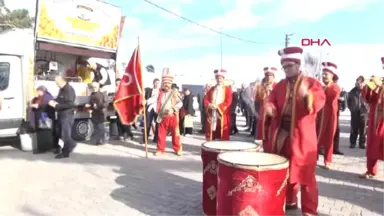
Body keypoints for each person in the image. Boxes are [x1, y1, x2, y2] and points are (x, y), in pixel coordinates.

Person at [264, 46, 325, 215]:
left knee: (306, 176)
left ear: (298, 65)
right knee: (285, 169)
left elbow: (318, 103)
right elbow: (271, 100)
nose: (286, 70)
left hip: (303, 138)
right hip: (282, 135)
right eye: (284, 67)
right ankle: (290, 202)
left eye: (289, 66)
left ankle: (310, 211)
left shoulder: (312, 83)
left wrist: (307, 96)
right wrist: (269, 107)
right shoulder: (280, 85)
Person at [148, 68, 183, 156]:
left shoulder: (175, 92)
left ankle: (177, 148)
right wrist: (146, 101)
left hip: (172, 116)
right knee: (161, 134)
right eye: (165, 83)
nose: (166, 84)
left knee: (175, 134)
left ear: (171, 84)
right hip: (162, 116)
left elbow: (180, 103)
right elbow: (153, 99)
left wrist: (174, 109)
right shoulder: (159, 92)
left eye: (168, 83)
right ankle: (160, 149)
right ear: (163, 84)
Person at [359, 58, 384, 179]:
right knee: (371, 144)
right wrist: (367, 87)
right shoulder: (379, 81)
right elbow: (368, 99)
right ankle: (371, 170)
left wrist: (381, 87)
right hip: (374, 119)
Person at [317, 61, 341, 170]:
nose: (324, 76)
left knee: (328, 139)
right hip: (319, 117)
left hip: (330, 118)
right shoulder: (321, 87)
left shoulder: (335, 87)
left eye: (326, 74)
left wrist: (322, 89)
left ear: (332, 75)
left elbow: (330, 97)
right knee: (316, 138)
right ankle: (314, 158)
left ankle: (328, 160)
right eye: (323, 74)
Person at [48, 75, 77, 159]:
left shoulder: (69, 90)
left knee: (65, 135)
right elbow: (59, 99)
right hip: (61, 114)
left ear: (62, 81)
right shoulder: (62, 89)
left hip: (67, 115)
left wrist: (56, 106)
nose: (57, 84)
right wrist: (54, 101)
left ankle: (65, 153)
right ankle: (71, 144)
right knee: (60, 133)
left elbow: (70, 104)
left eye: (57, 83)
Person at [204, 69, 232, 141]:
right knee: (211, 130)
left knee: (222, 131)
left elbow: (228, 101)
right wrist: (209, 105)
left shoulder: (227, 89)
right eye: (217, 78)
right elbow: (205, 99)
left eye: (220, 78)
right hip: (212, 112)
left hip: (222, 113)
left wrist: (218, 107)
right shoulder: (212, 89)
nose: (219, 80)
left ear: (223, 79)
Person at [31, 86, 59, 154]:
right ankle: (42, 148)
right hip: (41, 117)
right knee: (41, 133)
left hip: (45, 118)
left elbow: (47, 105)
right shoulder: (39, 97)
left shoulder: (47, 96)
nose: (37, 92)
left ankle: (45, 148)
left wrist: (37, 106)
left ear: (42, 90)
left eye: (38, 91)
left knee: (44, 133)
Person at [255, 67, 277, 151]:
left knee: (272, 134)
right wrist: (264, 92)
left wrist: (272, 91)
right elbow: (257, 100)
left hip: (273, 115)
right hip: (263, 115)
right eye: (267, 76)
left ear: (273, 76)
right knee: (263, 135)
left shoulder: (277, 86)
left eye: (270, 76)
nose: (268, 78)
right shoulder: (261, 87)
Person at [347, 76, 368, 149]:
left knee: (363, 129)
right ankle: (352, 143)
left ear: (363, 83)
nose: (359, 85)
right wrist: (351, 108)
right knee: (354, 128)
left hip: (364, 112)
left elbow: (370, 101)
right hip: (354, 112)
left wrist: (367, 109)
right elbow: (348, 101)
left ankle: (362, 144)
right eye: (357, 83)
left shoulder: (367, 91)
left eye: (360, 83)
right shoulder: (352, 91)